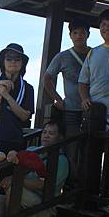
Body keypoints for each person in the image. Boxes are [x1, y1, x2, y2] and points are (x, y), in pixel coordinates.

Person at [44, 18, 91, 168]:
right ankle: (71, 182)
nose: (79, 36)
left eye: (82, 32)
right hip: (70, 110)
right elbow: (47, 78)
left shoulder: (95, 54)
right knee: (71, 148)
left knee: (91, 149)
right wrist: (57, 99)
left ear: (88, 34)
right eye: (75, 33)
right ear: (70, 35)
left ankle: (87, 183)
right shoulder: (62, 56)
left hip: (93, 110)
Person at [0, 43, 34, 155]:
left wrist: (7, 96)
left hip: (13, 141)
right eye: (9, 59)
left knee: (10, 173)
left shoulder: (28, 88)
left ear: (22, 63)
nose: (13, 62)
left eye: (17, 59)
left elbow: (24, 116)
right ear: (3, 62)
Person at [79, 9, 109, 121]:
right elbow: (83, 81)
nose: (106, 28)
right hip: (94, 111)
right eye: (103, 24)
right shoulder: (93, 52)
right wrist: (84, 99)